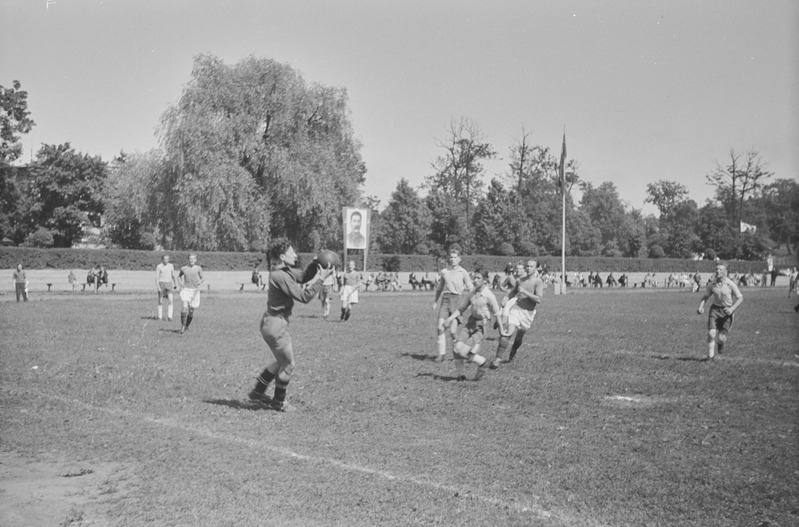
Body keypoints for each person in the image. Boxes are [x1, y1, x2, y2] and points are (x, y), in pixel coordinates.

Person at [248, 238, 335, 412]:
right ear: (282, 256)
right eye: (291, 252)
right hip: (276, 326)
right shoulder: (281, 276)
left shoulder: (283, 270)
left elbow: (303, 276)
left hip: (271, 323)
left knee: (282, 361)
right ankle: (279, 402)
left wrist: (314, 264)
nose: (295, 255)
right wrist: (321, 279)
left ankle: (258, 391)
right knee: (288, 365)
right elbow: (304, 296)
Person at [443, 269, 505, 381]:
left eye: (478, 278)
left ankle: (483, 362)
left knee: (462, 351)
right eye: (474, 277)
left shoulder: (488, 295)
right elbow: (461, 308)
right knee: (456, 348)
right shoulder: (472, 293)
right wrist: (449, 319)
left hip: (481, 327)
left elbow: (497, 313)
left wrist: (501, 331)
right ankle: (460, 375)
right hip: (470, 323)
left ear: (485, 280)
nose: (475, 280)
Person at [492, 259, 544, 368]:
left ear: (535, 268)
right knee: (508, 332)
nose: (529, 268)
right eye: (527, 266)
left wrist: (525, 292)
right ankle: (497, 359)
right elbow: (514, 292)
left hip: (528, 313)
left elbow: (538, 299)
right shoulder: (520, 280)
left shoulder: (538, 282)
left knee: (520, 336)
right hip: (516, 309)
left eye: (531, 266)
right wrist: (506, 298)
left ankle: (513, 351)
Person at [432, 247, 473, 362]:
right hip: (445, 300)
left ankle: (459, 352)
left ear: (459, 259)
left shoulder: (463, 272)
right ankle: (441, 355)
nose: (453, 259)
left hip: (458, 301)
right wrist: (435, 301)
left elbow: (471, 288)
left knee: (453, 331)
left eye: (455, 257)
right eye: (451, 257)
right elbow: (440, 288)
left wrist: (471, 302)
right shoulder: (444, 272)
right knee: (440, 327)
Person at [697, 263, 744, 360]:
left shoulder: (731, 284)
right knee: (711, 333)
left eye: (720, 269)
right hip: (715, 310)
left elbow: (740, 298)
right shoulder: (712, 284)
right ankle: (710, 357)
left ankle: (720, 343)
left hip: (727, 312)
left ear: (725, 272)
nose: (717, 271)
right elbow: (705, 297)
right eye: (716, 269)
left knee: (722, 338)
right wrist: (700, 307)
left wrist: (732, 309)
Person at [178, 253, 205, 334]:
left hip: (194, 291)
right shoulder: (183, 268)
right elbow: (179, 276)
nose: (192, 260)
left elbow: (203, 278)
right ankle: (183, 325)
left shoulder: (198, 268)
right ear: (188, 259)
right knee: (184, 307)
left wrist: (200, 282)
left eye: (193, 259)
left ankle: (187, 325)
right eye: (190, 258)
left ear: (196, 260)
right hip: (186, 290)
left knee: (191, 310)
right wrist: (180, 283)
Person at [155, 255, 178, 321]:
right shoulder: (159, 266)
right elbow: (157, 277)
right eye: (165, 259)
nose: (166, 260)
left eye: (167, 259)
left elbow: (173, 275)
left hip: (169, 284)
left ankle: (170, 317)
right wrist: (158, 287)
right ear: (162, 260)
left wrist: (175, 284)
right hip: (162, 284)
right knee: (160, 301)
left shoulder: (171, 266)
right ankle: (160, 317)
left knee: (171, 300)